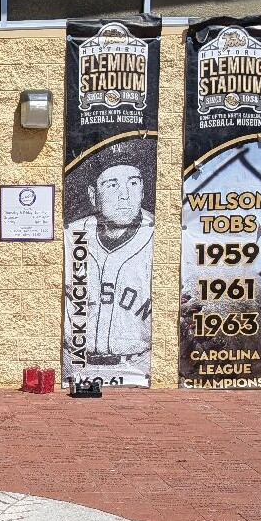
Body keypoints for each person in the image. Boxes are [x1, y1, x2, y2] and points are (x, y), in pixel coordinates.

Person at [63, 139, 154, 381]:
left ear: (143, 191)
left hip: (138, 365)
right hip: (75, 362)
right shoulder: (72, 235)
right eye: (112, 185)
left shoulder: (157, 237)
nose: (124, 195)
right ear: (94, 195)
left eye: (133, 183)